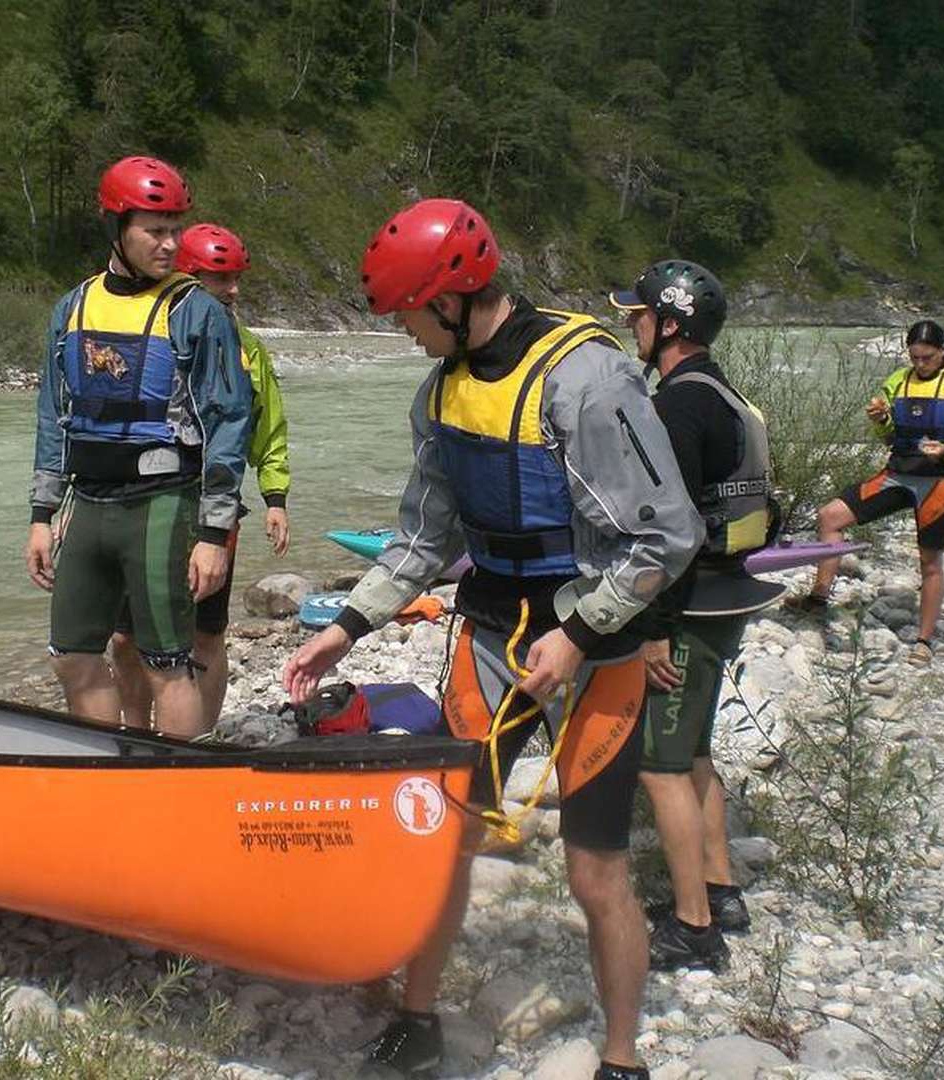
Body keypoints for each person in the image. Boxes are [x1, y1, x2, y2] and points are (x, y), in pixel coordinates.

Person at [283, 199, 704, 1080]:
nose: (401, 332)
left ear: (450, 299)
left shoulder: (587, 381)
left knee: (595, 874)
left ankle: (623, 1060)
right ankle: (418, 1017)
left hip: (595, 653)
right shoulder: (439, 391)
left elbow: (667, 536)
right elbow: (425, 538)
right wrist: (350, 626)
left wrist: (581, 636)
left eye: (405, 314)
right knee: (445, 842)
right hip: (487, 639)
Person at [24, 156, 251, 739]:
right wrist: (41, 516)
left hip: (163, 502)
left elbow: (229, 423)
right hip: (90, 503)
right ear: (116, 227)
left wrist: (212, 534)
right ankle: (112, 769)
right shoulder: (71, 308)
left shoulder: (196, 311)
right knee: (71, 655)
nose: (172, 244)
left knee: (165, 663)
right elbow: (54, 414)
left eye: (177, 229)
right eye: (156, 230)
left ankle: (180, 786)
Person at [610, 261, 772, 974]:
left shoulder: (678, 404)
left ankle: (693, 927)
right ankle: (720, 889)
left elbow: (668, 533)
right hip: (728, 597)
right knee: (697, 751)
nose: (631, 325)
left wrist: (647, 631)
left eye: (638, 316)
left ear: (668, 325)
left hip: (690, 609)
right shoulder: (721, 392)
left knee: (660, 765)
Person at [110, 223, 291, 730]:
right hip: (140, 500)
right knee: (124, 636)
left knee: (206, 633)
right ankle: (135, 730)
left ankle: (203, 735)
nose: (233, 290)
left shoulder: (249, 348)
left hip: (213, 507)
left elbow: (267, 423)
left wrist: (275, 495)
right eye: (219, 278)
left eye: (235, 278)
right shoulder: (142, 331)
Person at [792, 319, 944, 665]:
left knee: (929, 561)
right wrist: (880, 420)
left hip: (941, 482)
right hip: (898, 474)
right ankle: (818, 599)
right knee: (830, 516)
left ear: (943, 352)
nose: (920, 364)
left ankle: (924, 642)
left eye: (927, 357)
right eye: (914, 357)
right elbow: (888, 438)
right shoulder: (897, 381)